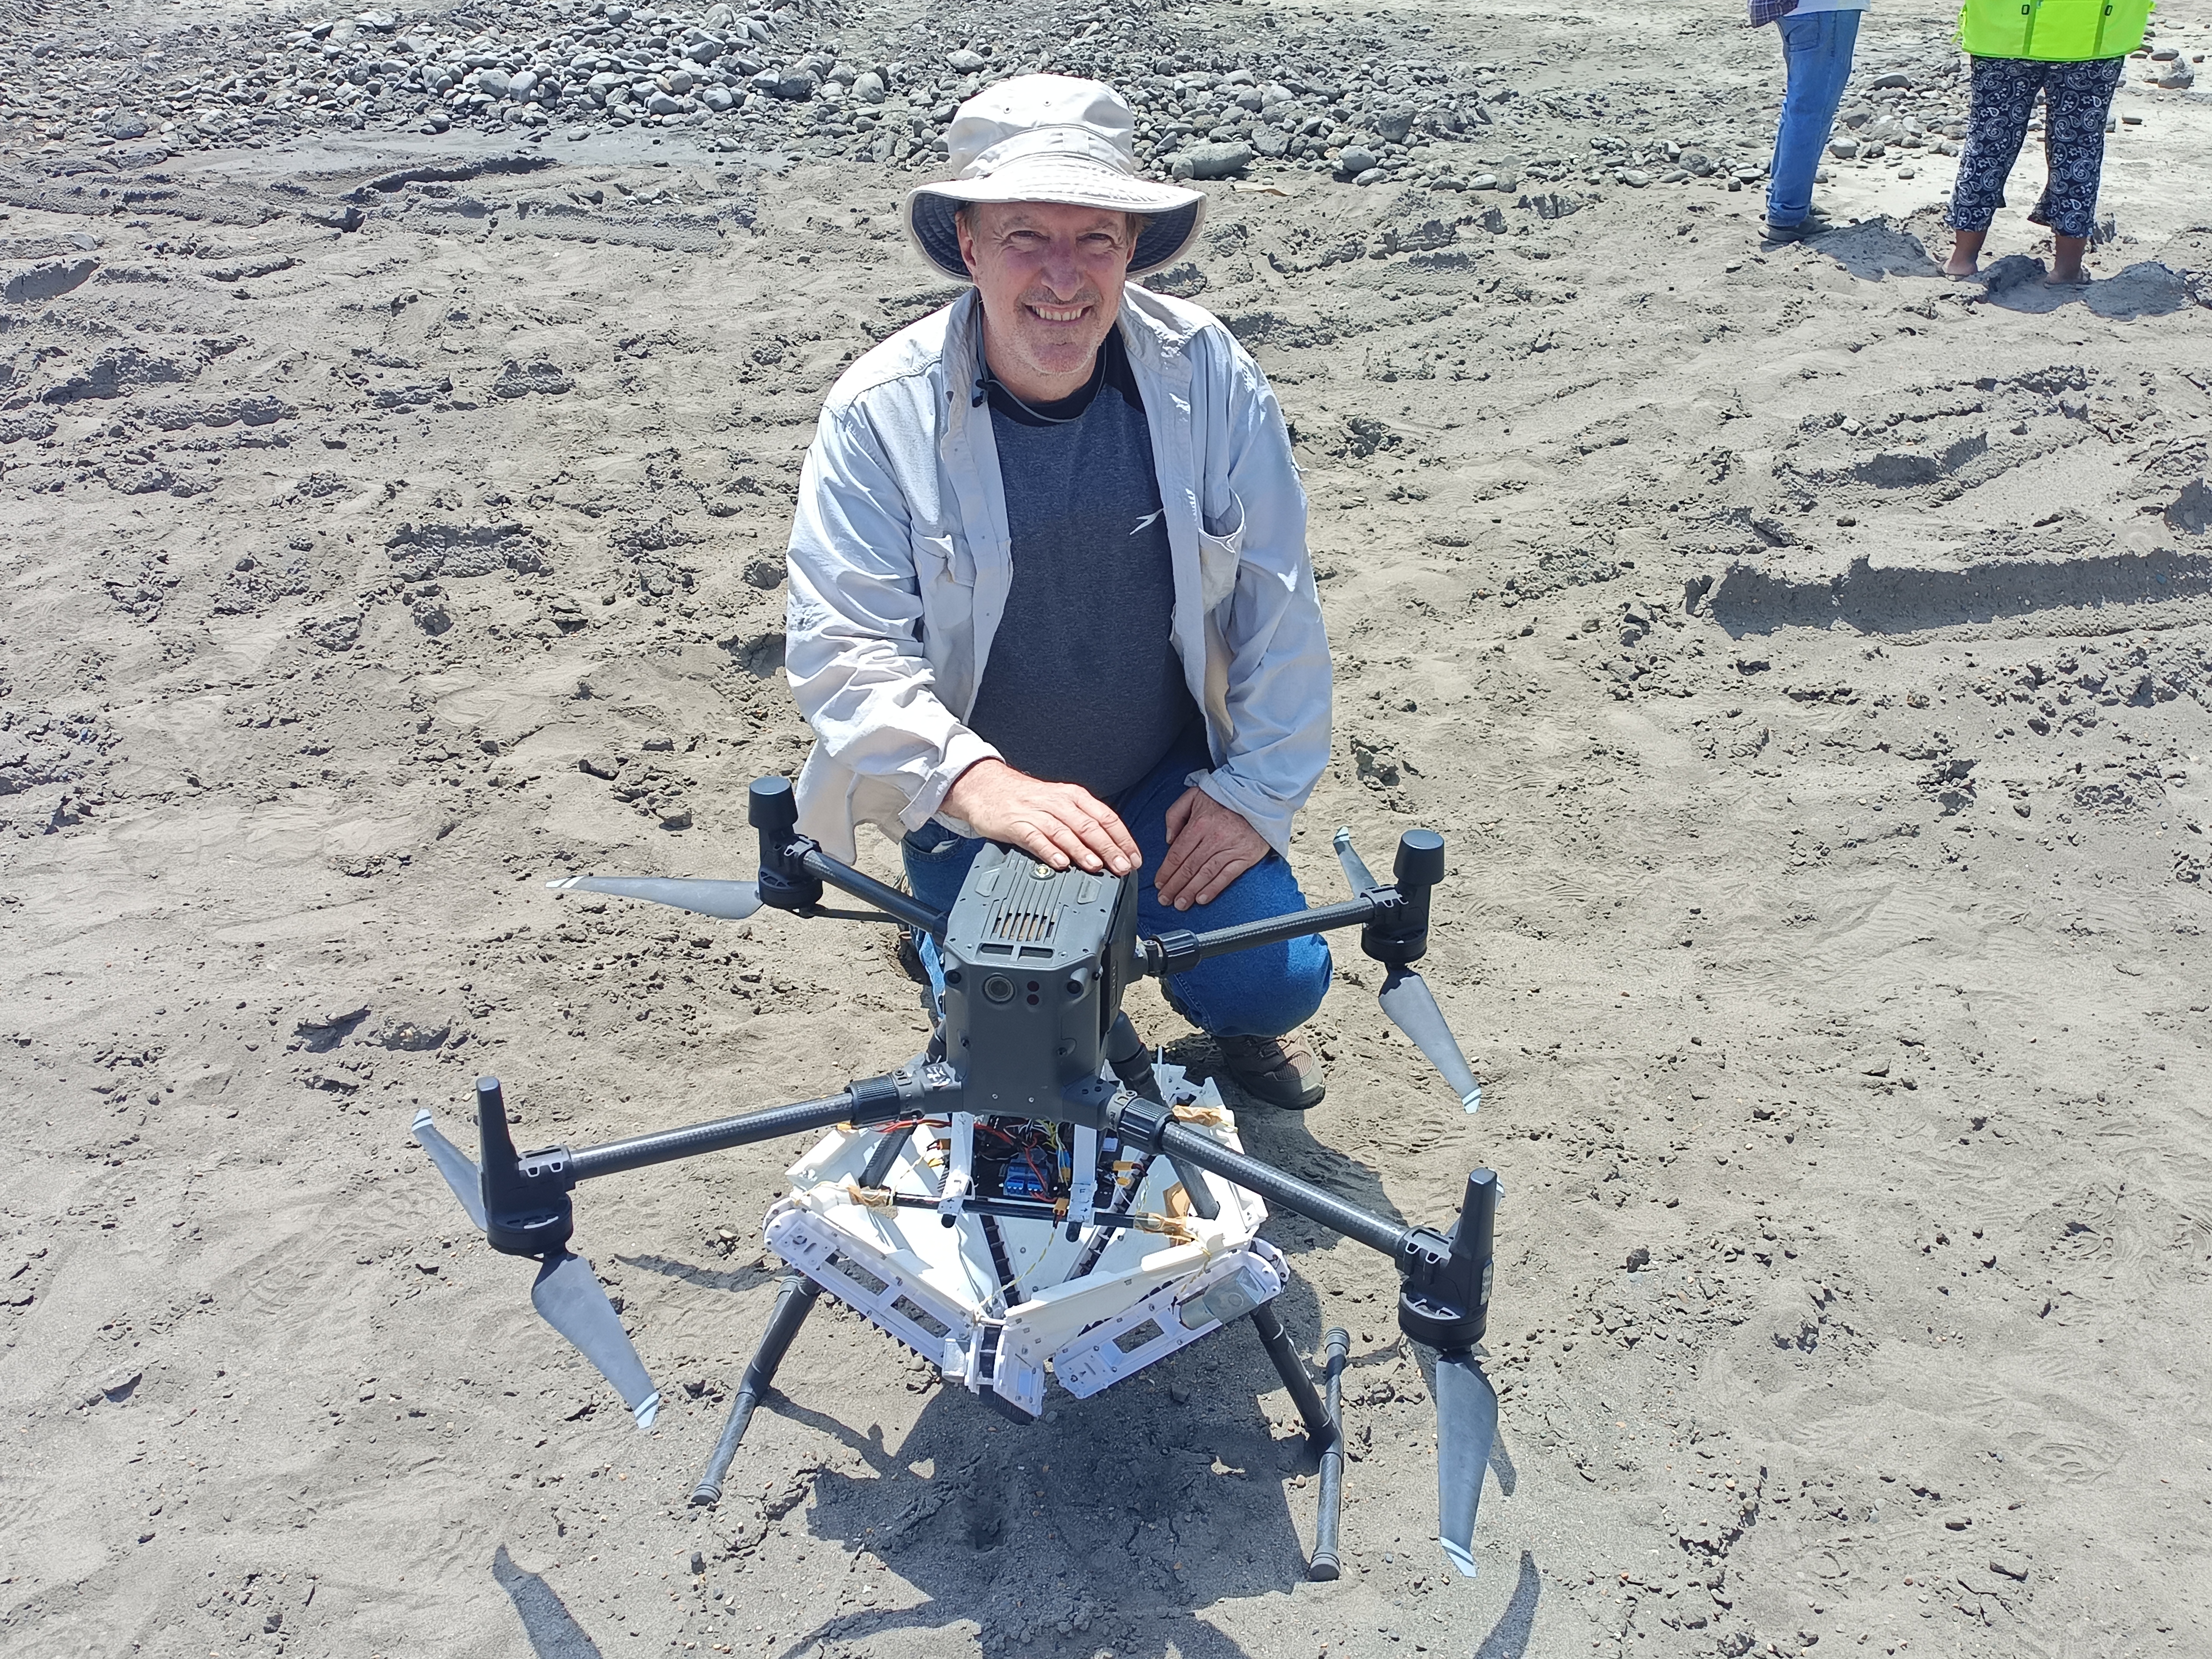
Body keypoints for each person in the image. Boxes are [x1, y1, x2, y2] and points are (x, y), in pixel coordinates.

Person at [782, 74, 1335, 1109]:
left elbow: (1278, 603)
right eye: (1027, 234)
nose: (1063, 278)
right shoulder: (877, 412)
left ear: (1132, 248)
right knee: (1030, 1037)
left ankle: (1222, 1023)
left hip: (1156, 781)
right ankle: (939, 939)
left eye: (1096, 239)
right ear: (969, 244)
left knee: (1280, 979)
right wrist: (977, 783)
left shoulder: (1207, 372)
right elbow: (842, 645)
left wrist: (1254, 795)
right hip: (976, 798)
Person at [1940, 0, 2137, 287]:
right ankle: (2067, 269)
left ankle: (1962, 259)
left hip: (2002, 31)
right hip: (2092, 35)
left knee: (1989, 142)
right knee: (2078, 150)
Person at [1752, 0, 1867, 243]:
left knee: (1801, 107)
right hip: (1825, 10)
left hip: (1806, 11)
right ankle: (1788, 212)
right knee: (1811, 111)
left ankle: (1786, 201)